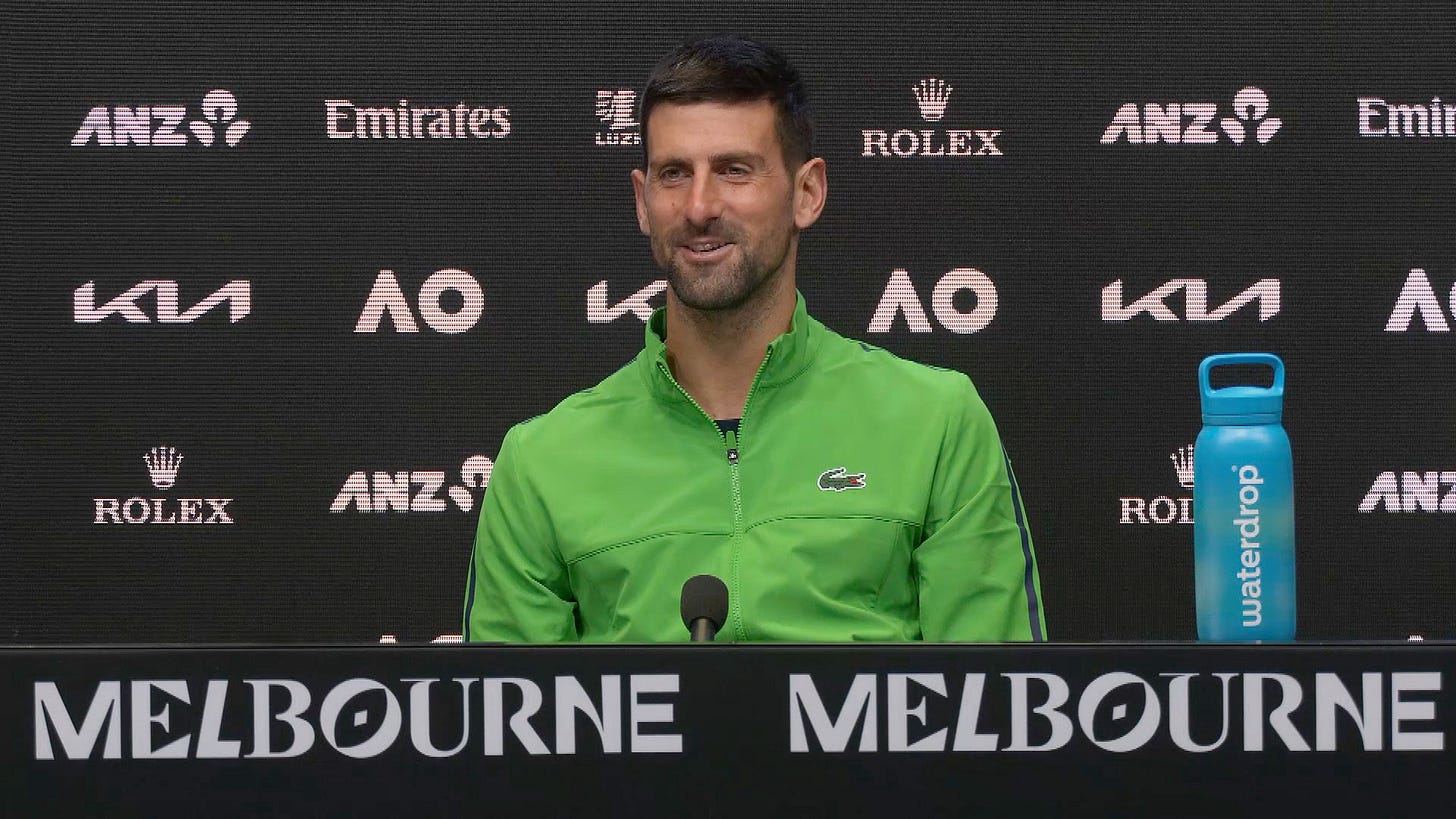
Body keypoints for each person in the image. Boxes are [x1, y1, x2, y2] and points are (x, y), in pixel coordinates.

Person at [463, 33, 1044, 642]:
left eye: (734, 171)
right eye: (673, 174)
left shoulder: (936, 421)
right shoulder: (541, 462)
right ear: (642, 202)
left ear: (806, 193)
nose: (699, 206)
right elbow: (513, 703)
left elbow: (993, 693)